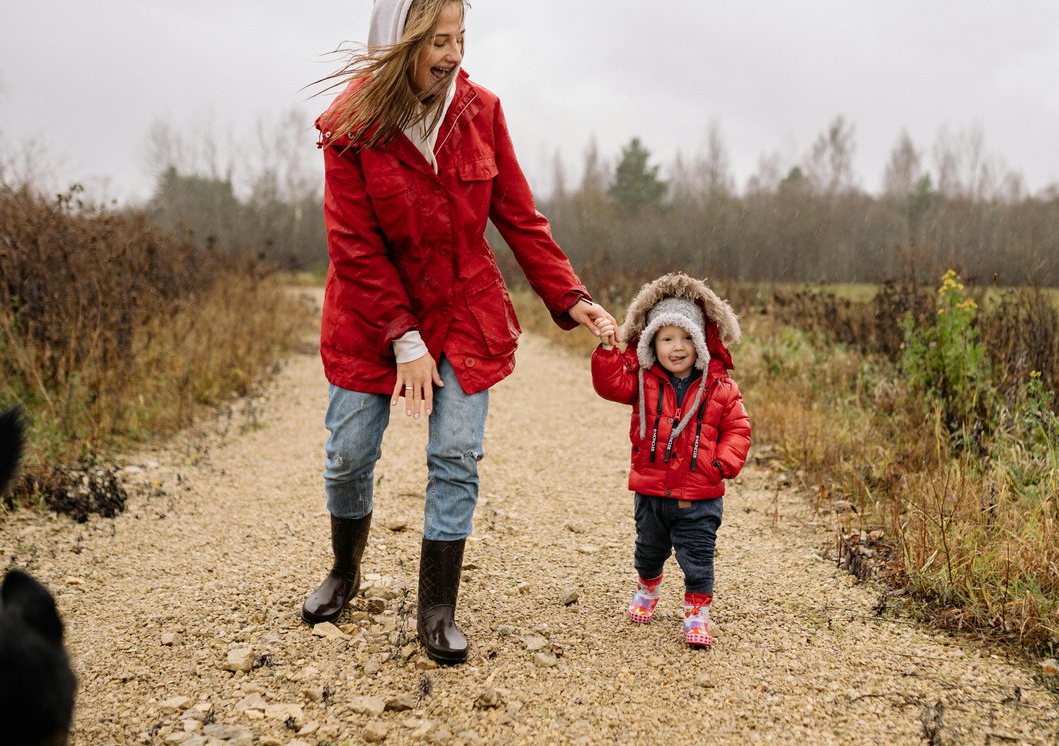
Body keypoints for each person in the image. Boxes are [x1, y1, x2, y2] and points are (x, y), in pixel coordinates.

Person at [302, 0, 620, 667]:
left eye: (461, 39)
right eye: (439, 41)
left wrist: (573, 297)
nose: (454, 54)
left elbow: (520, 219)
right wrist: (404, 340)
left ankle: (437, 608)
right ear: (400, 42)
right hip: (370, 317)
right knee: (351, 452)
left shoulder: (482, 114)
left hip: (463, 310)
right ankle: (343, 570)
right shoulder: (349, 129)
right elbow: (354, 247)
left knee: (455, 455)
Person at [590, 274, 751, 648]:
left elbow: (738, 428)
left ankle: (697, 613)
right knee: (649, 549)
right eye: (666, 339)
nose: (677, 348)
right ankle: (648, 585)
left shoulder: (720, 387)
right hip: (652, 490)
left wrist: (722, 464)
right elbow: (610, 384)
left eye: (686, 338)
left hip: (700, 494)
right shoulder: (644, 380)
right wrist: (607, 351)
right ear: (651, 343)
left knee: (698, 557)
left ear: (701, 342)